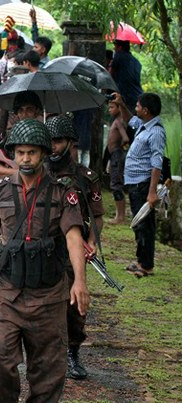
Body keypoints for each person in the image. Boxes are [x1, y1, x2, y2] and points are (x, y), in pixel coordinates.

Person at [0, 119, 90, 403]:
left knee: (48, 368)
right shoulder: (0, 190)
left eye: (32, 153)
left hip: (49, 295)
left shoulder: (63, 191)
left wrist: (79, 281)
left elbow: (74, 237)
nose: (26, 159)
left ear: (44, 154)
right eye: (21, 152)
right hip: (9, 293)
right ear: (13, 153)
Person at [46, 115, 104, 380]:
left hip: (73, 251)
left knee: (74, 306)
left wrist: (92, 241)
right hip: (44, 249)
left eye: (58, 141)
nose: (54, 146)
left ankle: (72, 352)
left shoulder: (84, 177)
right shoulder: (39, 172)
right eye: (50, 141)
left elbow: (97, 214)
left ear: (70, 142)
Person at [115, 92, 166, 278]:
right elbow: (130, 121)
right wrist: (121, 104)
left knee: (145, 225)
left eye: (137, 106)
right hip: (135, 184)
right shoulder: (143, 126)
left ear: (145, 110)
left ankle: (146, 265)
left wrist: (152, 192)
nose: (135, 109)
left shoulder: (156, 132)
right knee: (139, 224)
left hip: (144, 185)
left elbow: (156, 163)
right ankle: (140, 261)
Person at [0, 91, 43, 177]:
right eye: (21, 110)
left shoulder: (44, 134)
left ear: (36, 111)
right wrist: (19, 173)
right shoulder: (12, 136)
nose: (24, 114)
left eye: (29, 110)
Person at [107, 100, 130, 224]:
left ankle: (120, 216)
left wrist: (119, 150)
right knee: (115, 183)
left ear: (118, 107)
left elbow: (125, 138)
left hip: (117, 154)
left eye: (111, 107)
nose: (109, 110)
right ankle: (119, 214)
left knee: (116, 185)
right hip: (114, 155)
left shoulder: (119, 121)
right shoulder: (115, 121)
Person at [110, 40, 143, 110]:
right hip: (138, 96)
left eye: (115, 46)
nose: (114, 48)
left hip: (126, 97)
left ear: (120, 47)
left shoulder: (119, 56)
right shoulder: (136, 62)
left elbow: (108, 76)